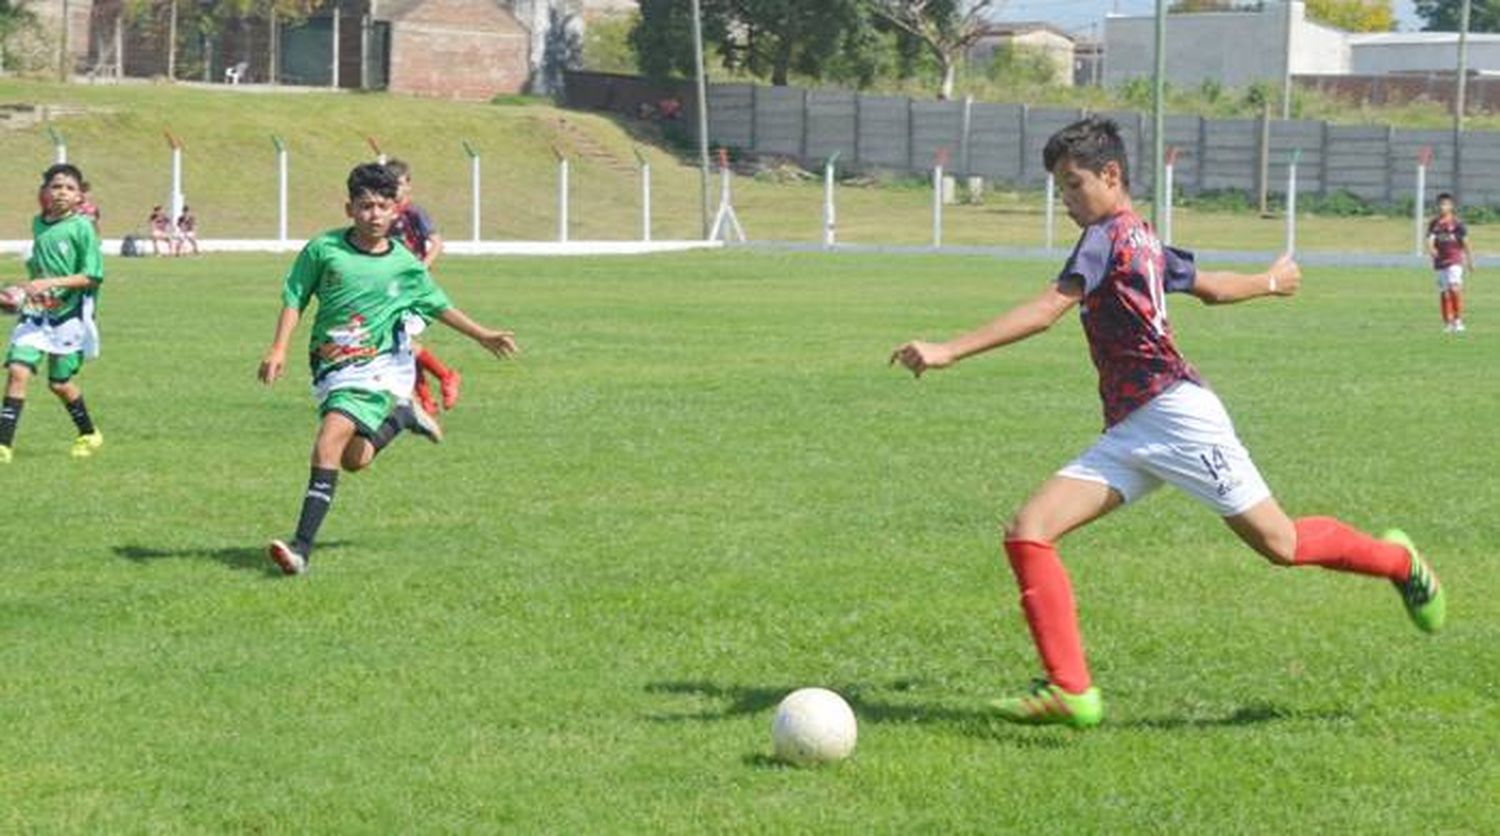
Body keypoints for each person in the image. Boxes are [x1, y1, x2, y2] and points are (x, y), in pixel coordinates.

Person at [889, 117, 1445, 728]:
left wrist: (949, 349)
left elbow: (1047, 310)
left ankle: (1400, 563)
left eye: (1075, 185)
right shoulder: (1144, 239)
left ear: (1112, 175)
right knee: (1029, 529)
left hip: (1178, 418)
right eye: (1060, 189)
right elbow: (1209, 287)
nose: (1068, 200)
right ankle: (1071, 690)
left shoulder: (1106, 238)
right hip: (1132, 429)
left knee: (1281, 545)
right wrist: (1269, 281)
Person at [257, 163, 519, 576]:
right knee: (354, 459)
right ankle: (402, 415)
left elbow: (439, 305)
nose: (374, 215)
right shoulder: (324, 250)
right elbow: (295, 296)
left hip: (379, 367)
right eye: (365, 206)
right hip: (331, 365)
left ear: (396, 210)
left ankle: (300, 549)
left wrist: (482, 334)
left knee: (327, 442)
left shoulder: (404, 264)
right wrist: (278, 348)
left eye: (382, 206)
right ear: (349, 208)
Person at [1, 163, 105, 464]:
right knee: (17, 370)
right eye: (56, 186)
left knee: (59, 384)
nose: (62, 193)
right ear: (45, 192)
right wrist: (19, 293)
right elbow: (39, 268)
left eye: (70, 188)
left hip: (69, 316)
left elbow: (92, 276)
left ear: (79, 197)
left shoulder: (82, 228)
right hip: (37, 311)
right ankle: (3, 445)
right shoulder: (39, 222)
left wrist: (50, 282)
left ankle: (89, 432)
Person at [385, 158, 460, 418]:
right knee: (401, 341)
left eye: (402, 184)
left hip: (413, 286)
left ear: (409, 186)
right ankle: (427, 399)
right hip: (392, 286)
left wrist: (422, 267)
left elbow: (436, 242)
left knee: (403, 339)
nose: (397, 189)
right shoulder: (384, 211)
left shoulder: (414, 213)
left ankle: (444, 377)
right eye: (393, 184)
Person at [1426, 192, 1473, 334]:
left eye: (1445, 204)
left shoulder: (1457, 223)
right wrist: (1431, 249)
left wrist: (1470, 260)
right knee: (1444, 291)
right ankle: (1448, 323)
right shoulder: (1434, 223)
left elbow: (1465, 243)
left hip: (1455, 260)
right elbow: (1430, 239)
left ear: (1451, 206)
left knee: (1454, 288)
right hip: (1440, 261)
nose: (1442, 207)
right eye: (1440, 204)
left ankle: (1458, 320)